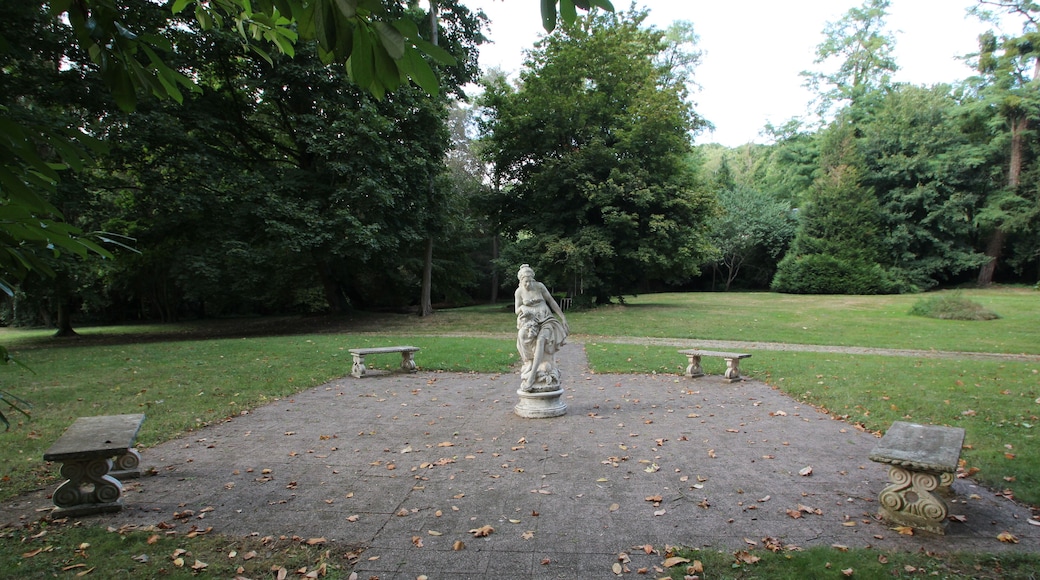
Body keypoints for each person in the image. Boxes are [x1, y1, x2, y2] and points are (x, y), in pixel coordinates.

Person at [514, 264, 569, 391]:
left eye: (529, 281)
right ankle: (529, 362)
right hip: (530, 320)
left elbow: (551, 301)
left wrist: (563, 317)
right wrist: (523, 309)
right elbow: (517, 309)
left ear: (532, 279)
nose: (527, 284)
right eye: (525, 282)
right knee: (522, 335)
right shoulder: (519, 292)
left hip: (546, 319)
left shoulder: (539, 287)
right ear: (520, 281)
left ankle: (532, 375)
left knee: (541, 340)